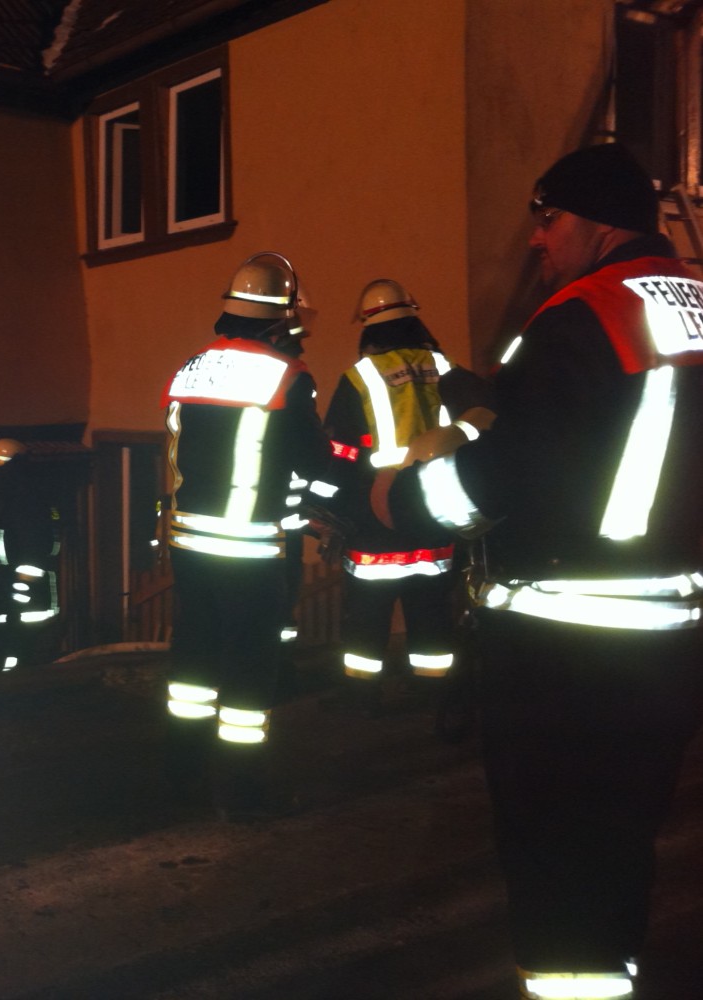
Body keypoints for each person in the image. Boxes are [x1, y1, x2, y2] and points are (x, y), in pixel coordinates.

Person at [381, 142, 703, 999]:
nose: (535, 239)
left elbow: (508, 478)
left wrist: (395, 500)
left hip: (565, 653)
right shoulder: (692, 303)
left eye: (547, 218)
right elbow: (610, 427)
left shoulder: (581, 314)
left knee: (557, 861)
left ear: (598, 225)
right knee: (619, 844)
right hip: (671, 640)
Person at [160, 252, 331, 819]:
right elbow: (311, 459)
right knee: (249, 667)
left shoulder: (190, 368)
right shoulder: (287, 376)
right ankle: (241, 792)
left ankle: (180, 775)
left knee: (194, 657)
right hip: (250, 546)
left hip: (189, 543)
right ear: (282, 318)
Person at [321, 279, 492, 717]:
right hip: (436, 510)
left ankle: (361, 701)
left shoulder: (360, 377)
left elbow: (339, 451)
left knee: (366, 619)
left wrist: (333, 508)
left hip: (375, 519)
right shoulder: (446, 366)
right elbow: (480, 424)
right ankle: (436, 699)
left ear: (368, 327)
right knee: (432, 612)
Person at [0, 437, 61, 670]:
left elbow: (31, 544)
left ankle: (14, 678)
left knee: (20, 646)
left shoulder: (23, 499)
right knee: (19, 645)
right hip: (20, 587)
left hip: (24, 591)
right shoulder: (27, 495)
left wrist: (21, 588)